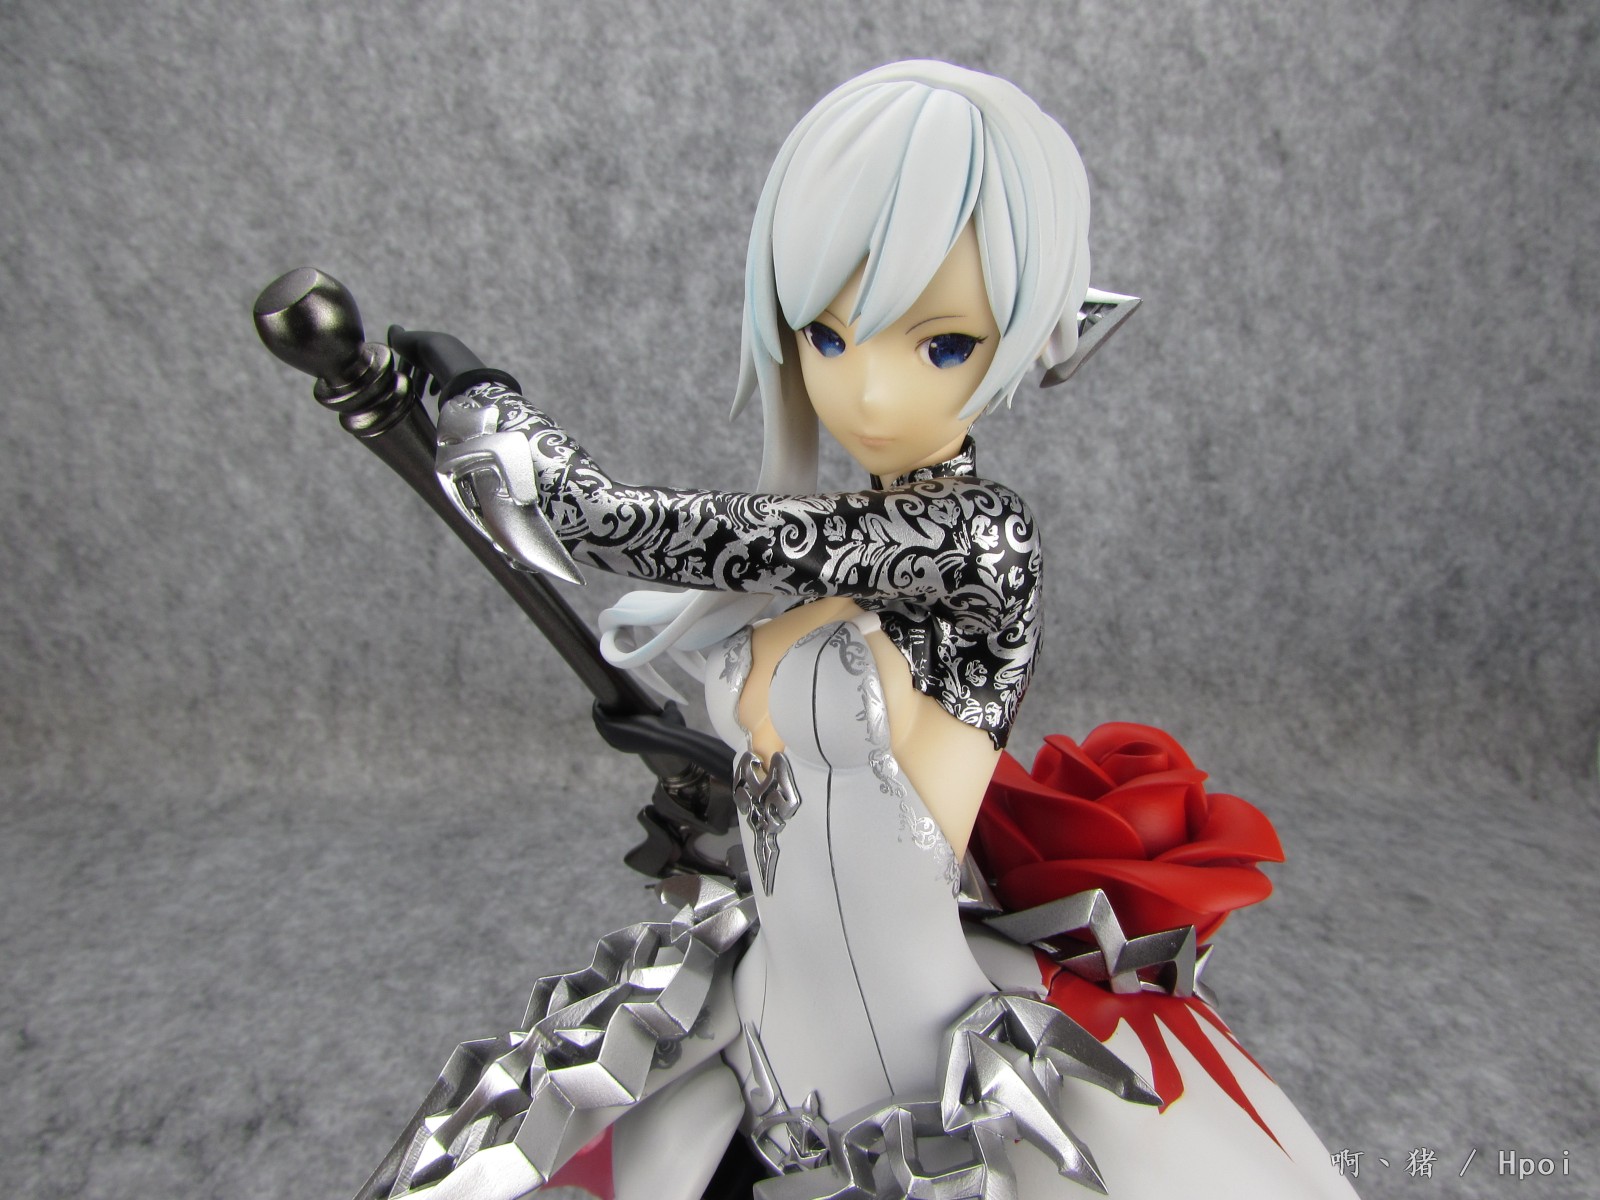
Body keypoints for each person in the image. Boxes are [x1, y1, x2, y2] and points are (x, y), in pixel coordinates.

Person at [370, 61, 1359, 1200]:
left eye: (941, 345)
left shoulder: (980, 543)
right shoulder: (824, 560)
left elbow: (620, 522)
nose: (869, 394)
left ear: (1041, 332)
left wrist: (486, 399)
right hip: (761, 1026)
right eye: (828, 336)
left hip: (919, 1072)